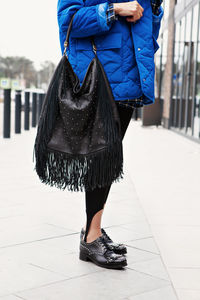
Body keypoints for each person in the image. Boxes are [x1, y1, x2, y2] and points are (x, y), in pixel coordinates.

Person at [57, 0, 164, 269]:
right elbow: (68, 21)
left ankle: (92, 230)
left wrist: (154, 7)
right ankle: (91, 237)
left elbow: (146, 32)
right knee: (102, 156)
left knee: (106, 157)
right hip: (98, 76)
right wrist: (114, 9)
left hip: (126, 78)